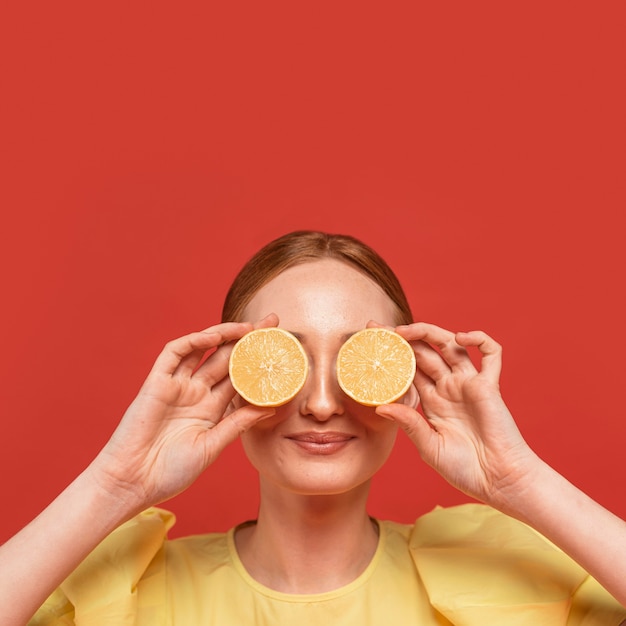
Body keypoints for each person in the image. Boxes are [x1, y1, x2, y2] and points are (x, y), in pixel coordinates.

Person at [1, 230, 625, 625]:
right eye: (285, 359)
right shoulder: (123, 593)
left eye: (360, 359)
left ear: (404, 376)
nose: (323, 403)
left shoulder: (506, 582)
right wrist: (117, 484)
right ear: (230, 373)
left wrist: (517, 480)